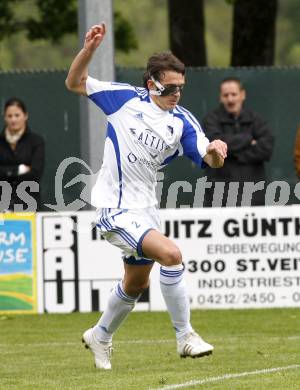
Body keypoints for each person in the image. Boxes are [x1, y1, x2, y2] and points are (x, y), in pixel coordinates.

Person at [65, 23, 227, 370]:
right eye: (170, 87)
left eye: (181, 87)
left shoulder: (182, 121)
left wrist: (216, 150)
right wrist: (88, 51)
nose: (176, 94)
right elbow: (74, 83)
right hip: (114, 208)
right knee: (171, 254)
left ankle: (101, 336)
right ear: (152, 82)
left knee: (135, 284)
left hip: (146, 211)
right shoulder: (122, 99)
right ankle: (185, 337)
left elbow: (208, 158)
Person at [203, 77, 274, 207]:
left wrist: (231, 153)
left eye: (234, 94)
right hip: (220, 197)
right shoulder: (211, 120)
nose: (230, 99)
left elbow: (266, 149)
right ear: (220, 97)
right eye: (226, 95)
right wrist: (248, 140)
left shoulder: (256, 120)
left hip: (254, 196)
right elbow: (213, 143)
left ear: (242, 95)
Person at [0, 98, 45, 211]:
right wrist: (19, 170)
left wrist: (5, 172)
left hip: (29, 204)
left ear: (25, 116)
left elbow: (35, 173)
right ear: (4, 117)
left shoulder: (36, 141)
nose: (13, 120)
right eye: (9, 116)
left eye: (17, 115)